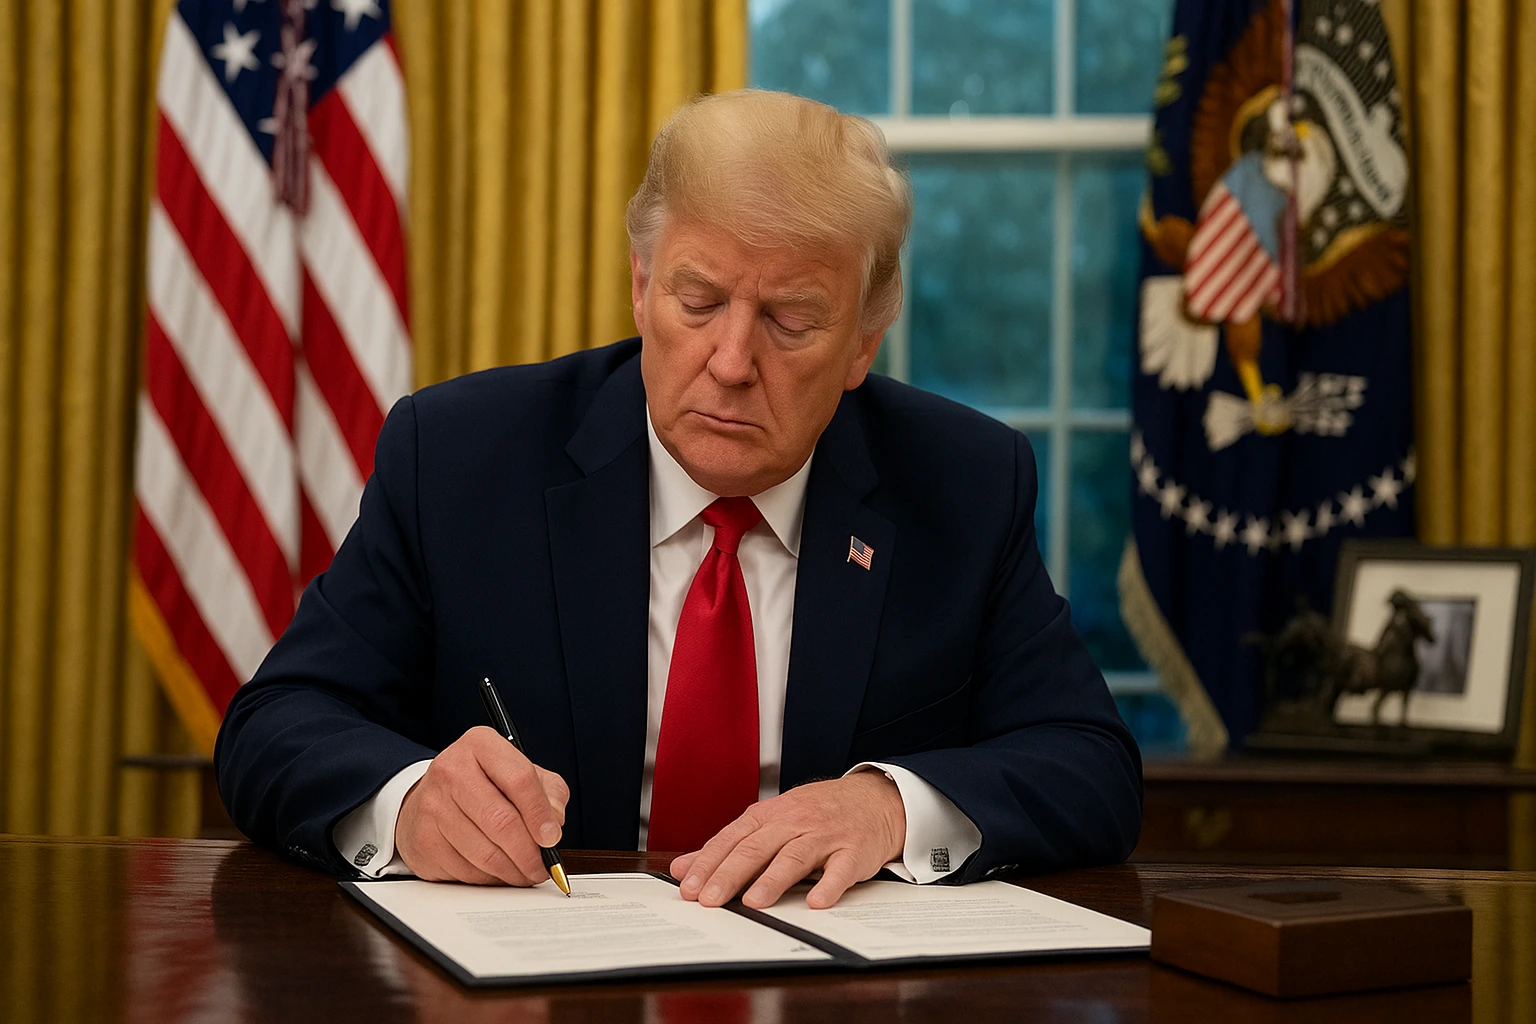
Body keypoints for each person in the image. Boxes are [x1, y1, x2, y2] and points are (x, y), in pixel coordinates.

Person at [215, 89, 1142, 911]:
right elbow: (275, 727)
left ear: (865, 341)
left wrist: (887, 805)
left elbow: (1090, 768)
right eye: (697, 301)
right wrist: (410, 799)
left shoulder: (965, 481)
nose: (732, 364)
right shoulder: (460, 455)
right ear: (641, 285)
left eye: (790, 321)